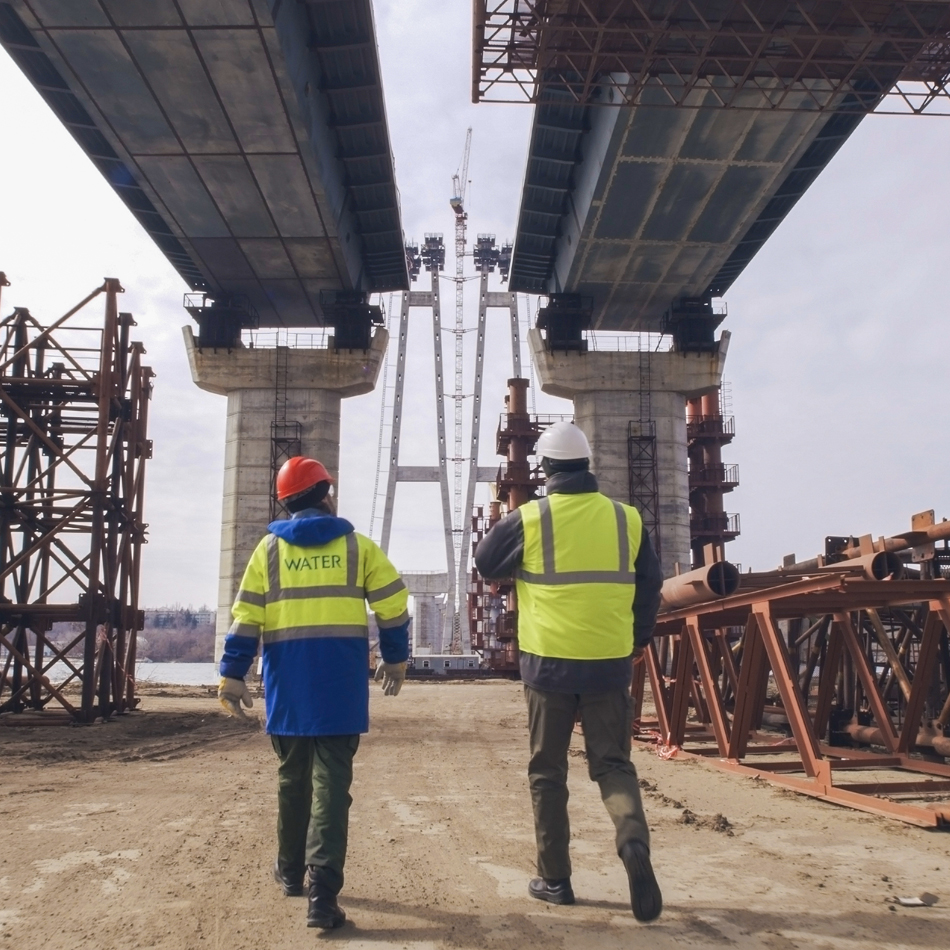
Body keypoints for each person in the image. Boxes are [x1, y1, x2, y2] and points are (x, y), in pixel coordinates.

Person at [474, 421, 664, 922]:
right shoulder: (627, 521)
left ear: (546, 469)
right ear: (587, 466)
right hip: (608, 663)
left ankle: (555, 879)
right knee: (613, 764)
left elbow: (486, 561)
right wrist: (639, 638)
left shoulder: (532, 518)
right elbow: (651, 586)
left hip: (548, 667)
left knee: (548, 771)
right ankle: (632, 844)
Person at [217, 456, 410, 930]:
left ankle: (288, 873)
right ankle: (323, 894)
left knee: (292, 780)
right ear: (327, 494)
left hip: (288, 687)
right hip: (340, 689)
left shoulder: (267, 552)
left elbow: (247, 618)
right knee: (331, 787)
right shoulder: (357, 548)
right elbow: (394, 605)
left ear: (285, 502)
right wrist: (396, 656)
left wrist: (232, 673)